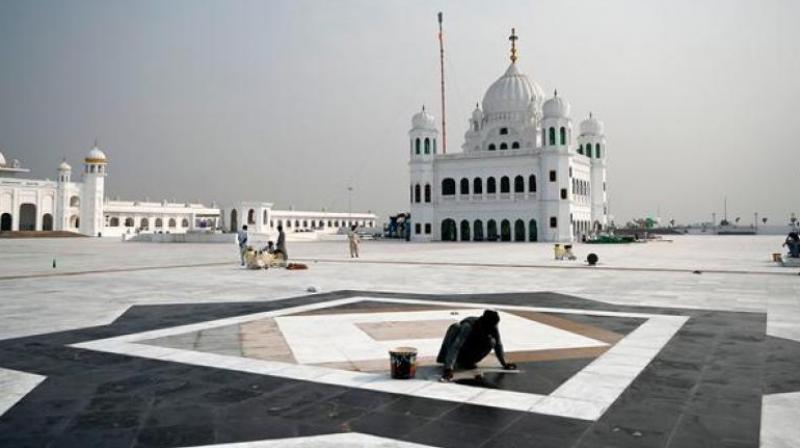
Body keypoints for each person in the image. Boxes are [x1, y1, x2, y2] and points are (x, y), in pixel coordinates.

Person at [436, 310, 517, 381]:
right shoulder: (468, 326)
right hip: (460, 350)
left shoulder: (492, 326)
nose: (491, 328)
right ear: (483, 322)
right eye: (489, 326)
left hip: (470, 349)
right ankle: (449, 362)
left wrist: (504, 364)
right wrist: (448, 369)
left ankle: (468, 362)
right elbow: (456, 346)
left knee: (492, 341)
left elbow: (498, 344)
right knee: (455, 327)